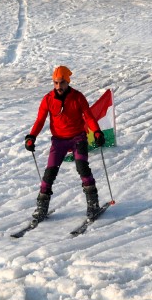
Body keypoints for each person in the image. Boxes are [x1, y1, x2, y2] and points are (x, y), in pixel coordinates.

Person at [24, 66, 105, 222]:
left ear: (68, 82)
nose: (58, 87)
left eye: (61, 83)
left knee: (82, 167)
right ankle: (42, 206)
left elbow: (88, 117)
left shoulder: (78, 97)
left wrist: (97, 132)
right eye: (55, 83)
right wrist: (31, 136)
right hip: (58, 140)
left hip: (78, 138)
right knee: (49, 173)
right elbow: (40, 120)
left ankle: (93, 203)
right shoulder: (48, 99)